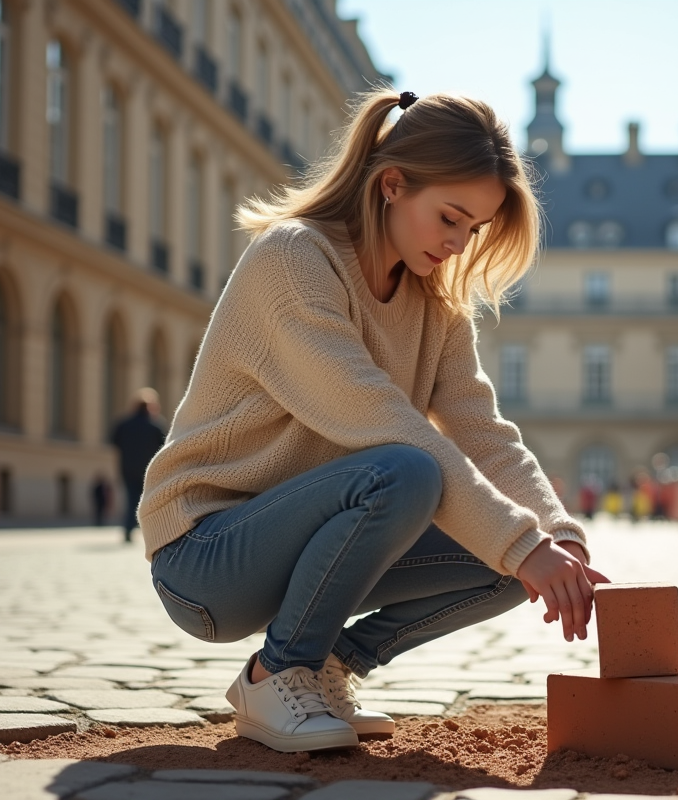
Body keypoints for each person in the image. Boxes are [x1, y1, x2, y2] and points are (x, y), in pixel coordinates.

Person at [138, 90, 608, 754]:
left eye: (472, 230)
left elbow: (483, 432)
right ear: (392, 185)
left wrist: (558, 540)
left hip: (310, 537)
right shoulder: (293, 262)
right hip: (206, 557)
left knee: (510, 558)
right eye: (450, 218)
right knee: (408, 471)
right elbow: (388, 424)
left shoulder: (437, 309)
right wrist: (524, 541)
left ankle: (326, 666)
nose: (457, 244)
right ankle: (276, 673)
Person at [110, 389, 167, 543]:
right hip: (148, 470)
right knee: (149, 501)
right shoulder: (155, 425)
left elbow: (114, 442)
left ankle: (128, 530)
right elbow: (164, 446)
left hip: (127, 468)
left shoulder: (124, 424)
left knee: (131, 500)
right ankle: (152, 533)